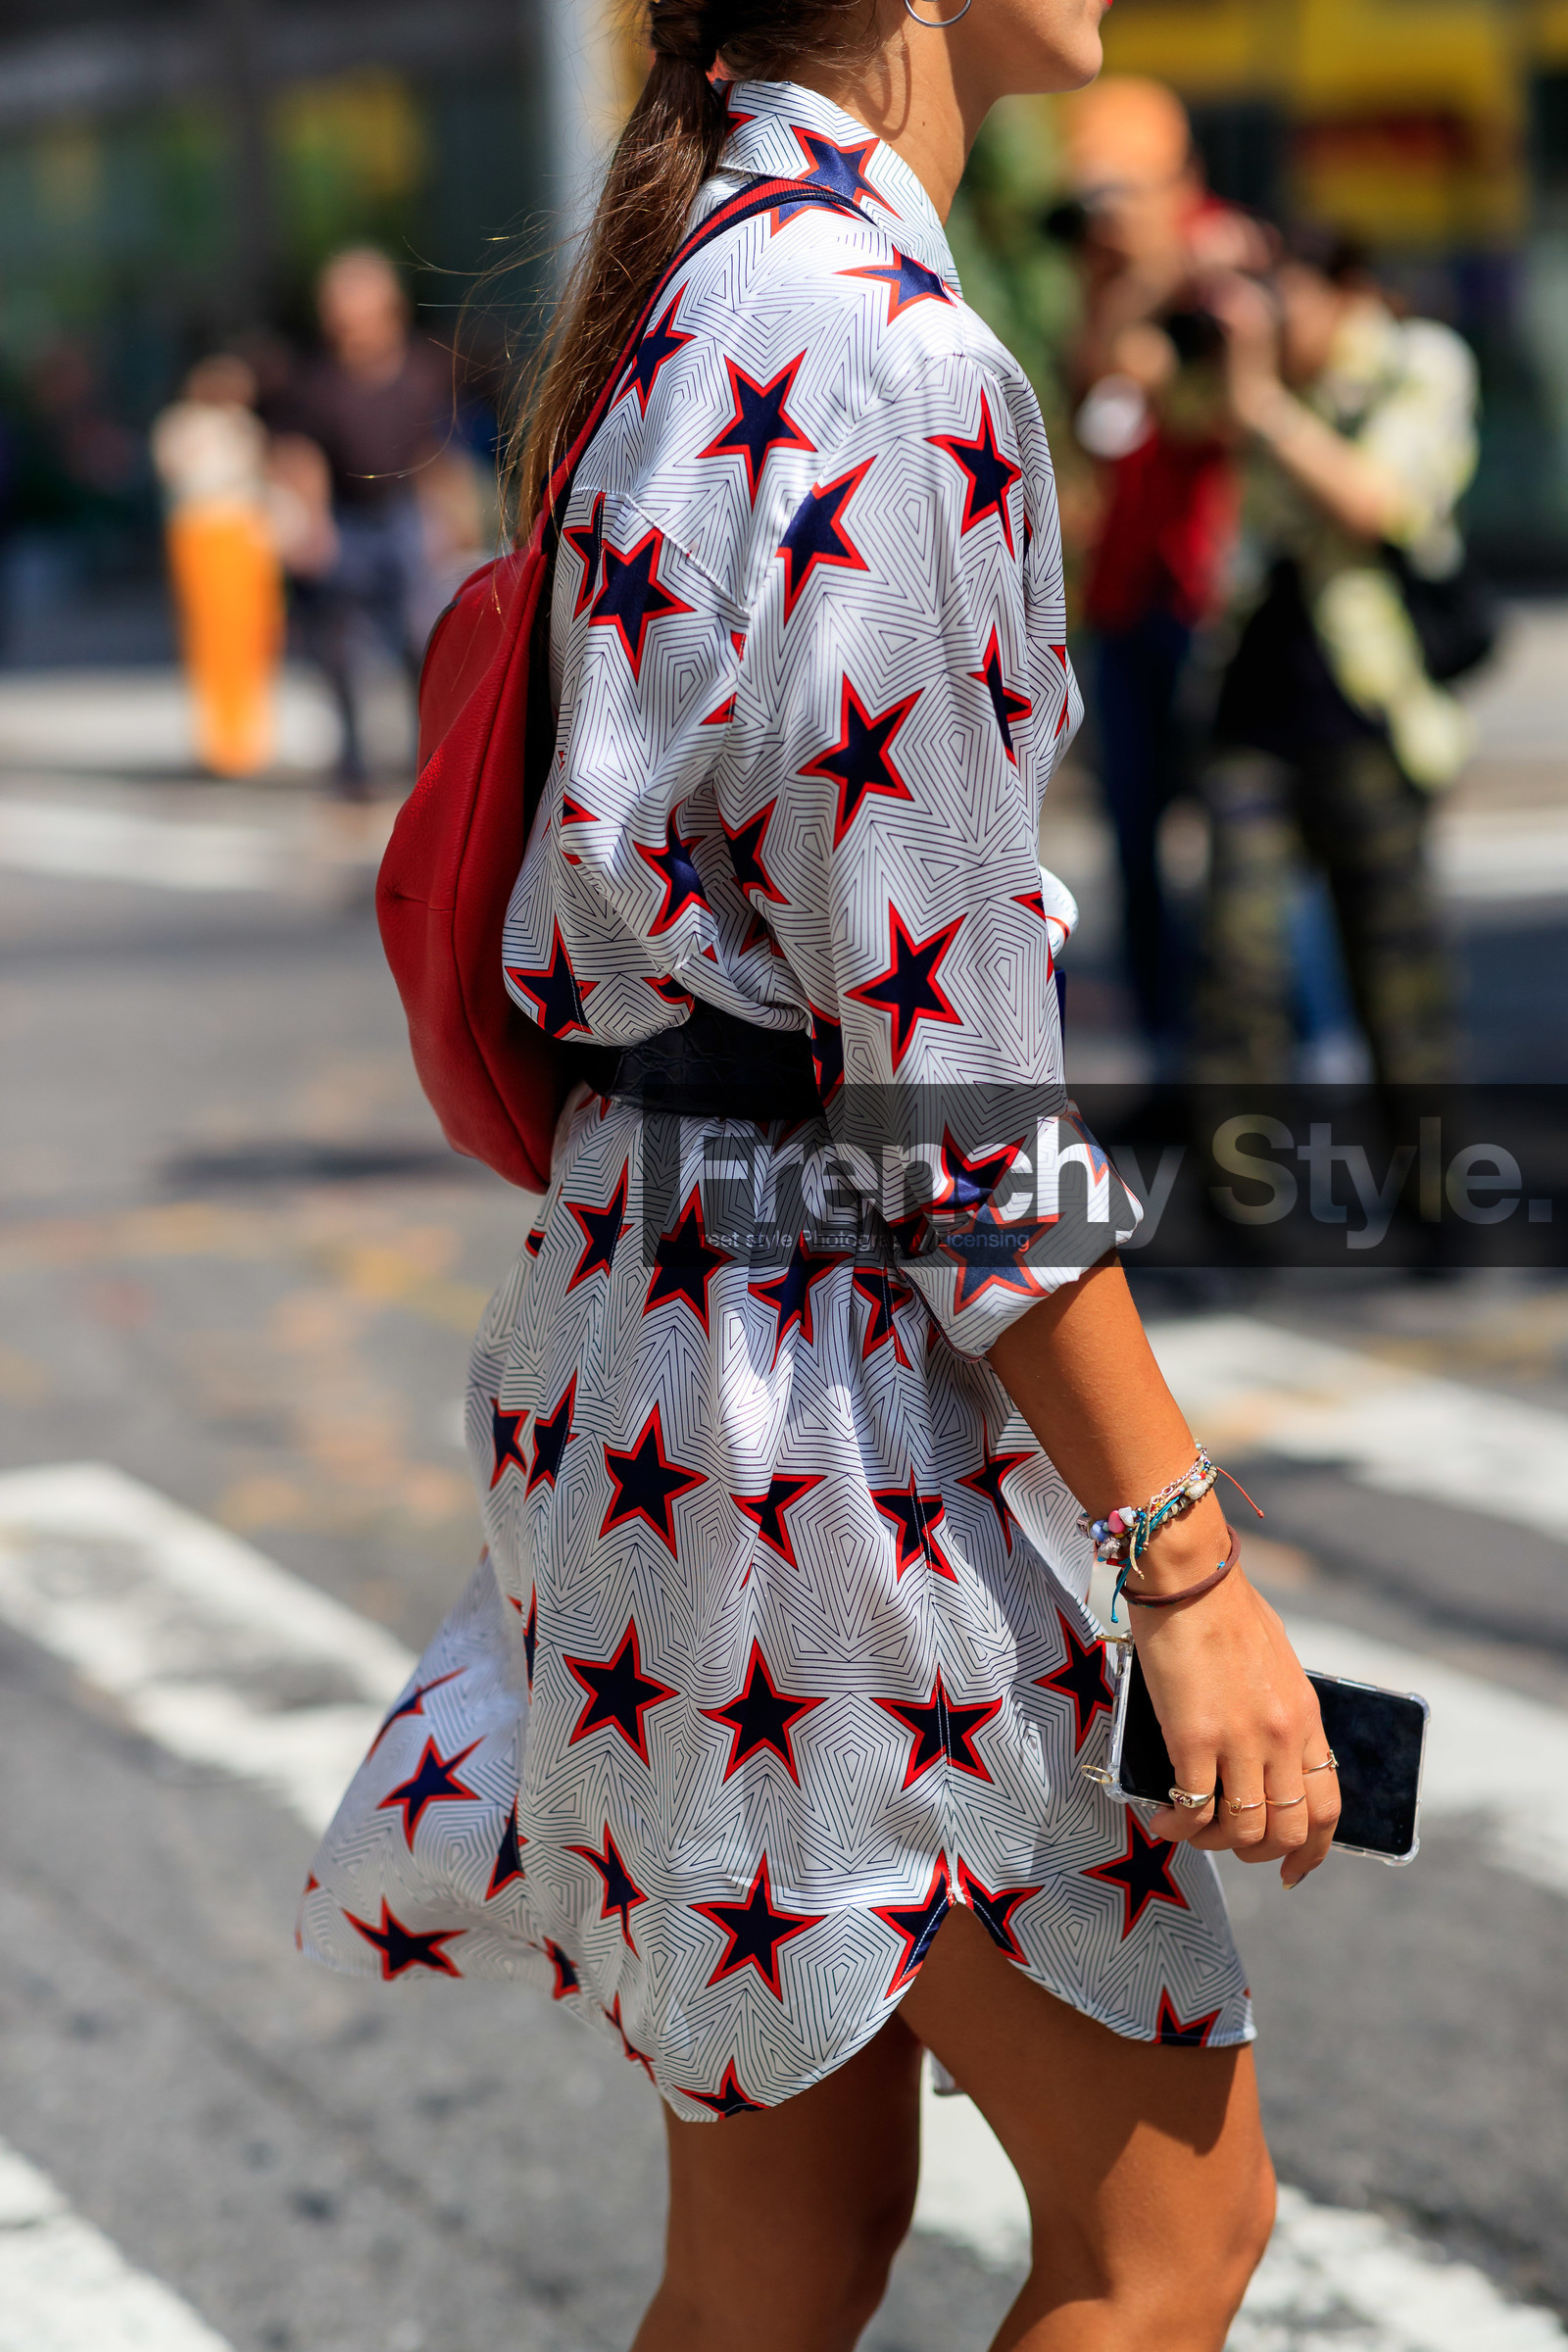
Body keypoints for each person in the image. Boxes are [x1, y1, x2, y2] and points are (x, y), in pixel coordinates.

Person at [300, 5, 1340, 2347]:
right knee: (1164, 2231)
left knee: (776, 2256)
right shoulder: (882, 342)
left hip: (653, 1363)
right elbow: (950, 1096)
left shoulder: (700, 282)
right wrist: (1180, 1554)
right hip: (819, 1432)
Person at [1192, 229, 1478, 1083]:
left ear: (1347, 290)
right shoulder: (1250, 365)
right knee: (1235, 967)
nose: (1276, 317)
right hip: (1251, 702)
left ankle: (1433, 1190)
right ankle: (1238, 1196)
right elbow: (1131, 402)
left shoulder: (1415, 361)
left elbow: (1377, 501)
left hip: (1366, 702)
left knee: (1399, 984)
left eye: (1291, 297)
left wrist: (1267, 405)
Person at [1060, 80, 1265, 1059]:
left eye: (1123, 191)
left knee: (1245, 845)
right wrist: (1126, 289)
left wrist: (1171, 283)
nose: (1110, 213)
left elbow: (1223, 415)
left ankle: (1294, 1057)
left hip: (1206, 594)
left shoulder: (1223, 256)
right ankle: (1169, 1053)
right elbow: (1092, 395)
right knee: (1134, 841)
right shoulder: (1111, 273)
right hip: (1122, 596)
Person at [278, 247, 451, 794]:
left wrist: (442, 519)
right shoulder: (318, 382)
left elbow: (436, 452)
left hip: (402, 519)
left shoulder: (421, 370)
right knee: (342, 647)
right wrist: (311, 522)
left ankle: (425, 762)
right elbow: (302, 456)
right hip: (348, 520)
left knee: (419, 640)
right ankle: (353, 766)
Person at [151, 355, 284, 778]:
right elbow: (182, 476)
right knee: (212, 633)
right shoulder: (184, 424)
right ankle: (221, 741)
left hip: (245, 536)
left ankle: (248, 738)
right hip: (203, 532)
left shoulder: (245, 426)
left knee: (254, 631)